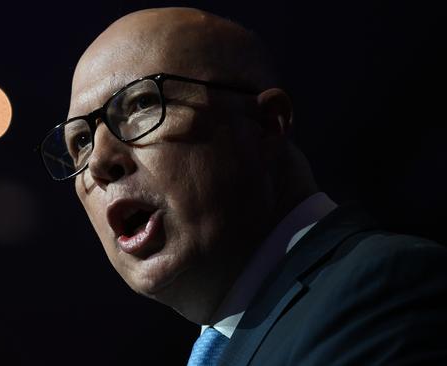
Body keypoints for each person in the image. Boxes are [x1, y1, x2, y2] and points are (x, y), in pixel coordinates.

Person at [37, 7, 447, 365]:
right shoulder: (236, 340)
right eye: (80, 143)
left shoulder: (381, 287)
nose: (99, 162)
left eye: (142, 104)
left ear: (267, 124)